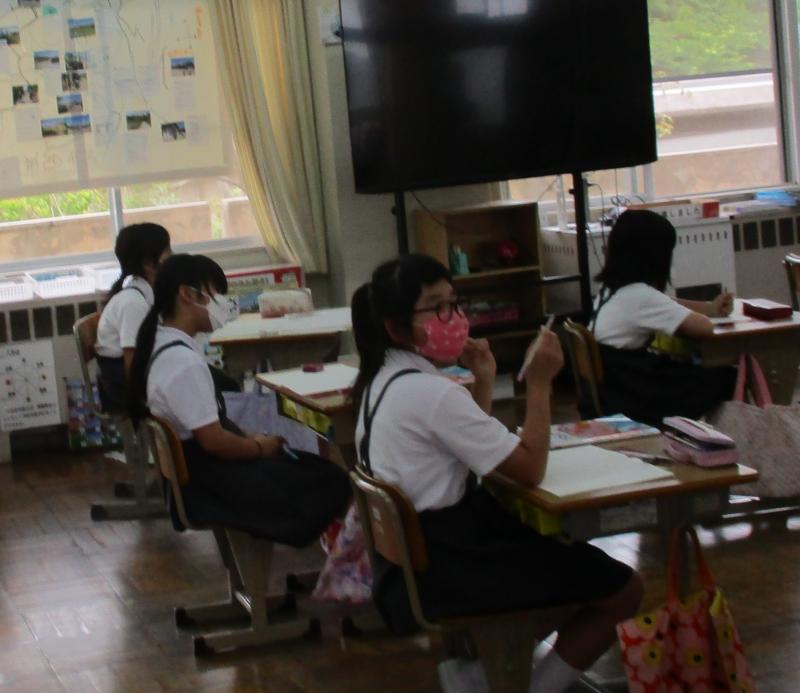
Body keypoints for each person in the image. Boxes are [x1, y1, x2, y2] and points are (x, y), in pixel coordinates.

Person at [351, 253, 643, 693]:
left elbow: (466, 450)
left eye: (454, 303)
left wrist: (484, 380)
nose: (453, 318)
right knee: (623, 590)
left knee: (574, 573)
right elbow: (529, 468)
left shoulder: (381, 384)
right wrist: (540, 383)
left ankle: (483, 677)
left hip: (415, 568)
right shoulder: (430, 393)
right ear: (396, 327)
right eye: (436, 308)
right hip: (455, 566)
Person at [127, 253, 350, 546]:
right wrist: (258, 447)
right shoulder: (183, 362)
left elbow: (210, 428)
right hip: (210, 485)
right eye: (215, 294)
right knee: (331, 479)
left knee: (308, 467)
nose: (222, 303)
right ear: (187, 294)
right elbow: (214, 442)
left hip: (200, 476)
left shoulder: (161, 345)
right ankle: (348, 556)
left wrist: (251, 437)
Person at [589, 209, 737, 426]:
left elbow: (666, 303)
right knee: (726, 377)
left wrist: (709, 308)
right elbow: (704, 328)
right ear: (656, 257)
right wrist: (706, 314)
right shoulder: (640, 296)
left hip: (617, 391)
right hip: (637, 397)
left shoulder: (609, 290)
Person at [94, 223, 171, 411]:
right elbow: (133, 364)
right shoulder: (132, 303)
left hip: (142, 377)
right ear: (148, 264)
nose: (172, 258)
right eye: (168, 252)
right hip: (125, 390)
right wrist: (144, 406)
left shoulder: (143, 293)